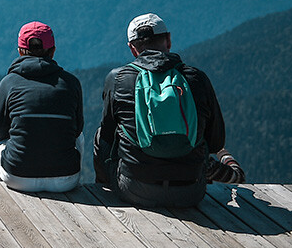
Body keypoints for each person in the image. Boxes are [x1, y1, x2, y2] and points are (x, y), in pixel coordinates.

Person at [94, 12, 245, 208]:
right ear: (169, 40)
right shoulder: (197, 78)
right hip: (191, 192)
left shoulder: (117, 78)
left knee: (101, 134)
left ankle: (102, 191)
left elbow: (107, 136)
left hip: (134, 189)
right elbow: (216, 142)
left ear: (132, 49)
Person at [0, 22, 83, 193]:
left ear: (20, 51)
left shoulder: (9, 82)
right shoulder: (71, 83)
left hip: (18, 177)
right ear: (53, 50)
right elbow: (77, 129)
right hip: (67, 179)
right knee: (79, 135)